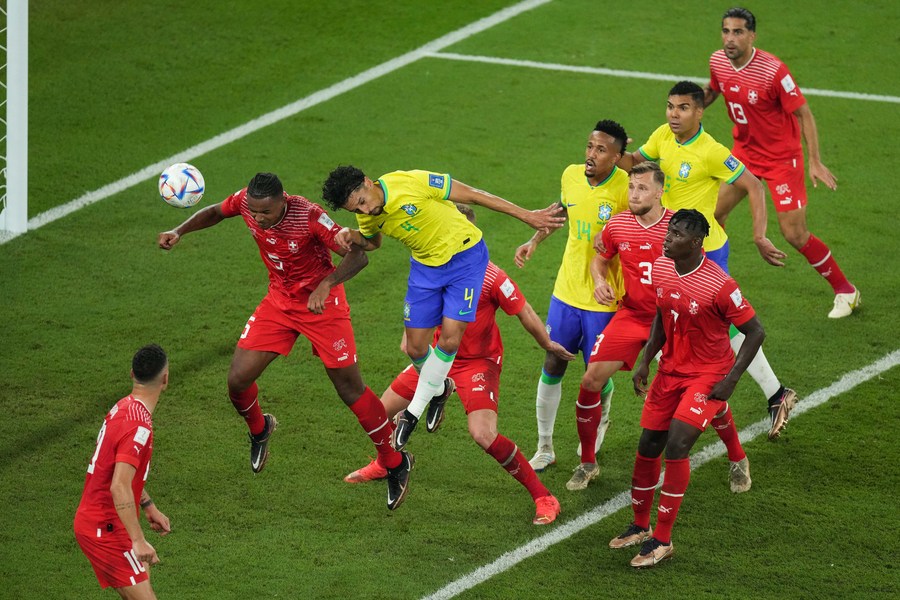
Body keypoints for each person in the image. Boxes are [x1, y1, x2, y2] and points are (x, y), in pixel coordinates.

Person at [158, 172, 413, 510]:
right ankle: (261, 428)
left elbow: (358, 254)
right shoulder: (247, 203)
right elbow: (217, 211)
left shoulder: (307, 215)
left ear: (283, 202)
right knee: (237, 380)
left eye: (265, 212)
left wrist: (328, 283)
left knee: (350, 389)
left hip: (322, 306)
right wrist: (179, 230)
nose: (257, 219)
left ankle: (394, 463)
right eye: (253, 212)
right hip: (279, 302)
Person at [344, 204, 576, 525]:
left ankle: (542, 495)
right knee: (378, 413)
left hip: (477, 364)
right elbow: (416, 323)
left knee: (483, 434)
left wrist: (547, 344)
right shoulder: (431, 268)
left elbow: (524, 311)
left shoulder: (490, 275)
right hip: (436, 361)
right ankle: (389, 462)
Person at [322, 166, 564, 453]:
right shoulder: (367, 213)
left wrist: (527, 215)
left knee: (450, 338)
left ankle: (413, 412)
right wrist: (353, 236)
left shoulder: (410, 181)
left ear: (367, 182)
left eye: (362, 201)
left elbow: (473, 195)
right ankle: (439, 389)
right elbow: (373, 241)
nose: (365, 210)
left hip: (465, 259)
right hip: (426, 268)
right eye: (355, 210)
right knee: (414, 349)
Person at [618, 81, 797, 440]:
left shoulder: (711, 151)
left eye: (683, 108)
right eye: (670, 106)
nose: (674, 114)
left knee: (725, 327)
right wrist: (610, 153)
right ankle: (698, 398)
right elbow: (636, 162)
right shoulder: (662, 137)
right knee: (677, 320)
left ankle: (773, 394)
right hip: (673, 246)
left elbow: (754, 185)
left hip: (706, 250)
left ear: (700, 112)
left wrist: (759, 234)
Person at [608, 209, 763, 568]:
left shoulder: (720, 285)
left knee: (677, 444)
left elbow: (756, 331)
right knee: (648, 443)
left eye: (676, 235)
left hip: (708, 373)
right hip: (671, 370)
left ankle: (662, 540)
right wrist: (647, 358)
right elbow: (663, 315)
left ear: (696, 243)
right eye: (668, 232)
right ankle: (639, 525)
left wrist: (731, 380)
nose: (667, 239)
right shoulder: (663, 268)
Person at [583, 162, 751, 494]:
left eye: (642, 188)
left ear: (660, 191)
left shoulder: (678, 229)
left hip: (675, 322)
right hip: (633, 315)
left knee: (705, 396)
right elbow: (600, 257)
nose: (633, 194)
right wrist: (599, 280)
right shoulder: (617, 225)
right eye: (631, 187)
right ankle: (587, 462)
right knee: (590, 378)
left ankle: (737, 456)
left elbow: (704, 279)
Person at [704, 6, 860, 319]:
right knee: (713, 213)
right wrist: (690, 106)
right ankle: (711, 285)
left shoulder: (773, 70)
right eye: (726, 31)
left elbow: (804, 113)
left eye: (737, 32)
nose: (730, 38)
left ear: (752, 36)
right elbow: (715, 90)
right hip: (745, 153)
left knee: (794, 234)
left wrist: (814, 161)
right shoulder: (718, 61)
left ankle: (846, 291)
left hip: (780, 159)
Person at [513, 120, 630, 475]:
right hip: (565, 292)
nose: (590, 155)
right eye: (589, 147)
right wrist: (534, 240)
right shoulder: (571, 175)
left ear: (618, 157)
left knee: (595, 374)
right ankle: (545, 446)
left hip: (603, 298)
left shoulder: (627, 187)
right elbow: (564, 209)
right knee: (553, 362)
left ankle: (600, 421)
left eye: (600, 150)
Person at [74, 344, 172, 599]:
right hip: (104, 527)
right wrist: (137, 540)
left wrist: (149, 506)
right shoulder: (138, 427)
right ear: (165, 378)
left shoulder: (124, 406)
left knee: (141, 583)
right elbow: (119, 485)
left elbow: (117, 471)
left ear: (132, 374)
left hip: (104, 520)